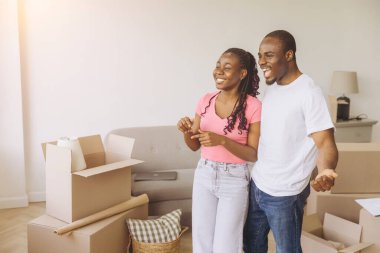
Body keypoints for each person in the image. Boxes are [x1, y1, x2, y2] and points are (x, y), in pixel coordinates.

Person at [243, 30, 339, 253]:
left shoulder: (309, 92)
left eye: (269, 55)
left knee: (287, 250)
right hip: (258, 184)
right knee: (251, 245)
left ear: (288, 55)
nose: (262, 62)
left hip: (285, 193)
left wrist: (326, 169)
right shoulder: (272, 88)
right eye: (260, 55)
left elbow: (325, 142)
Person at [177, 48, 262, 253]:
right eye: (217, 66)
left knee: (226, 246)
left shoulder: (254, 106)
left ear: (242, 74)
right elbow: (194, 145)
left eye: (227, 68)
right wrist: (186, 131)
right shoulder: (206, 99)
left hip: (234, 178)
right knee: (202, 243)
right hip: (205, 173)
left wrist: (222, 140)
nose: (219, 72)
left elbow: (253, 154)